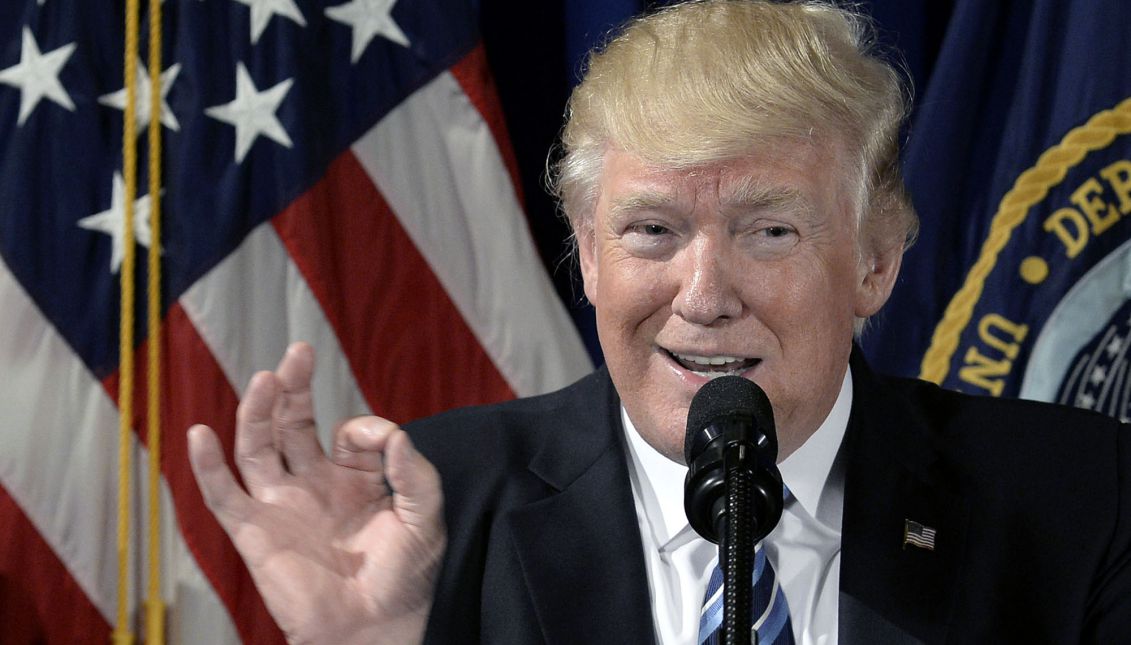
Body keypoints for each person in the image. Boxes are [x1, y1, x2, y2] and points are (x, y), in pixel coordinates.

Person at [187, 1, 1131, 643]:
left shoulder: (1080, 502)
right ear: (588, 256)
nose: (703, 292)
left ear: (875, 262)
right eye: (651, 231)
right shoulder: (435, 511)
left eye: (769, 230)